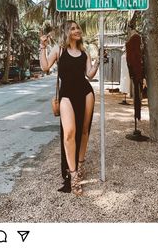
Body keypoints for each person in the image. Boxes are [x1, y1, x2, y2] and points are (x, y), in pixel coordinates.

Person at [39, 20, 99, 195]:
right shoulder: (59, 50)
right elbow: (45, 67)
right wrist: (42, 47)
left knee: (85, 131)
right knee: (70, 133)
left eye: (78, 27)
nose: (77, 30)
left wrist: (97, 62)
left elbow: (89, 75)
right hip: (66, 94)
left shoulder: (84, 52)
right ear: (66, 32)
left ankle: (80, 165)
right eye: (73, 28)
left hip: (85, 92)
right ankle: (73, 175)